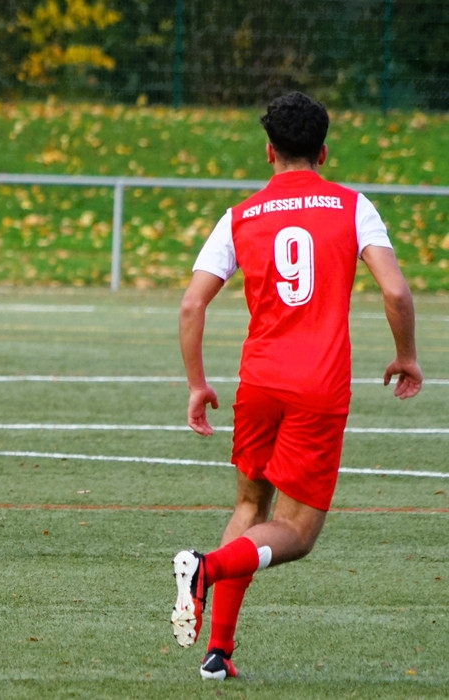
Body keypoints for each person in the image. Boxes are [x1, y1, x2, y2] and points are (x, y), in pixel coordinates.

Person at [172, 91, 423, 679]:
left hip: (258, 382)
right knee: (298, 533)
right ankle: (207, 568)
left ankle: (219, 652)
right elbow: (395, 291)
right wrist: (406, 356)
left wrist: (197, 385)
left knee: (249, 505)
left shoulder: (240, 215)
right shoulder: (352, 207)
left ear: (269, 151)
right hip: (318, 386)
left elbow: (191, 305)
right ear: (324, 151)